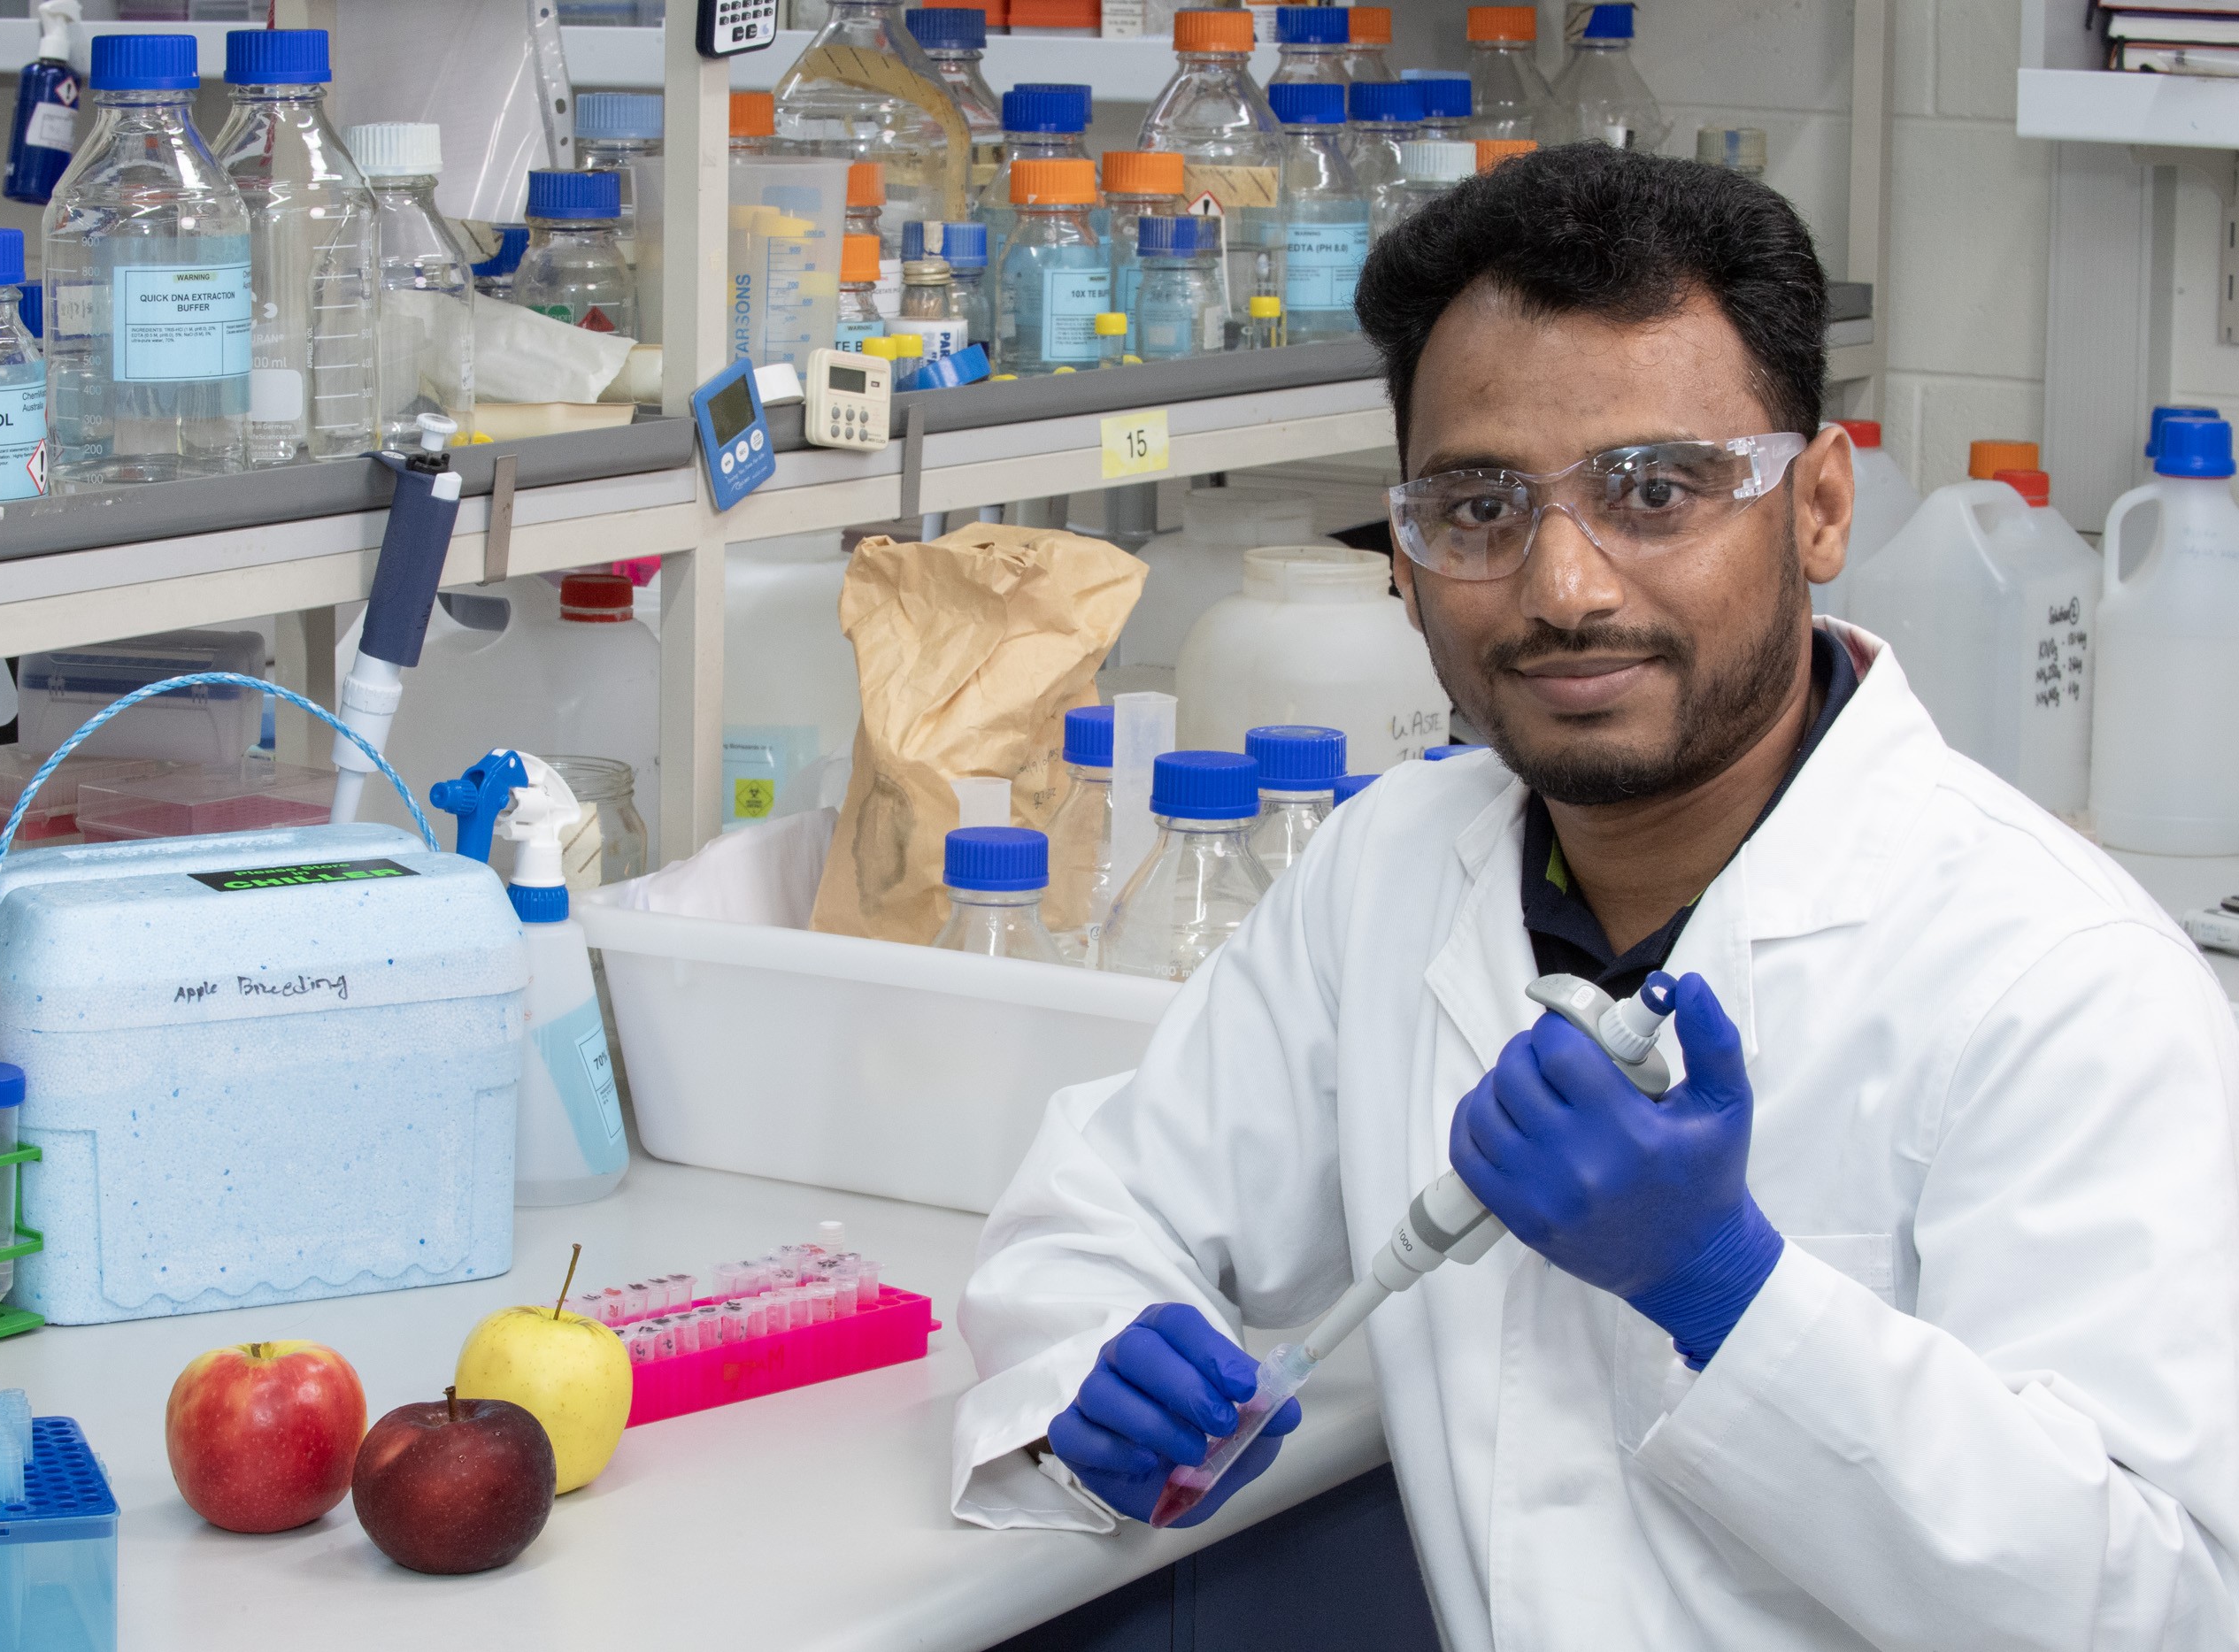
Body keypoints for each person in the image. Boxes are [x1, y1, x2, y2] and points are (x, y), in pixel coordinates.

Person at [950, 144, 2239, 1648]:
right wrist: (1098, 1363)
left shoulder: (2058, 977)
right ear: (1405, 553)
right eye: (1481, 505)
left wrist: (1725, 1292)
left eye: (1656, 491)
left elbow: (2161, 1602)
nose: (1565, 585)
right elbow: (1108, 1204)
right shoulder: (1393, 867)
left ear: (1820, 508)